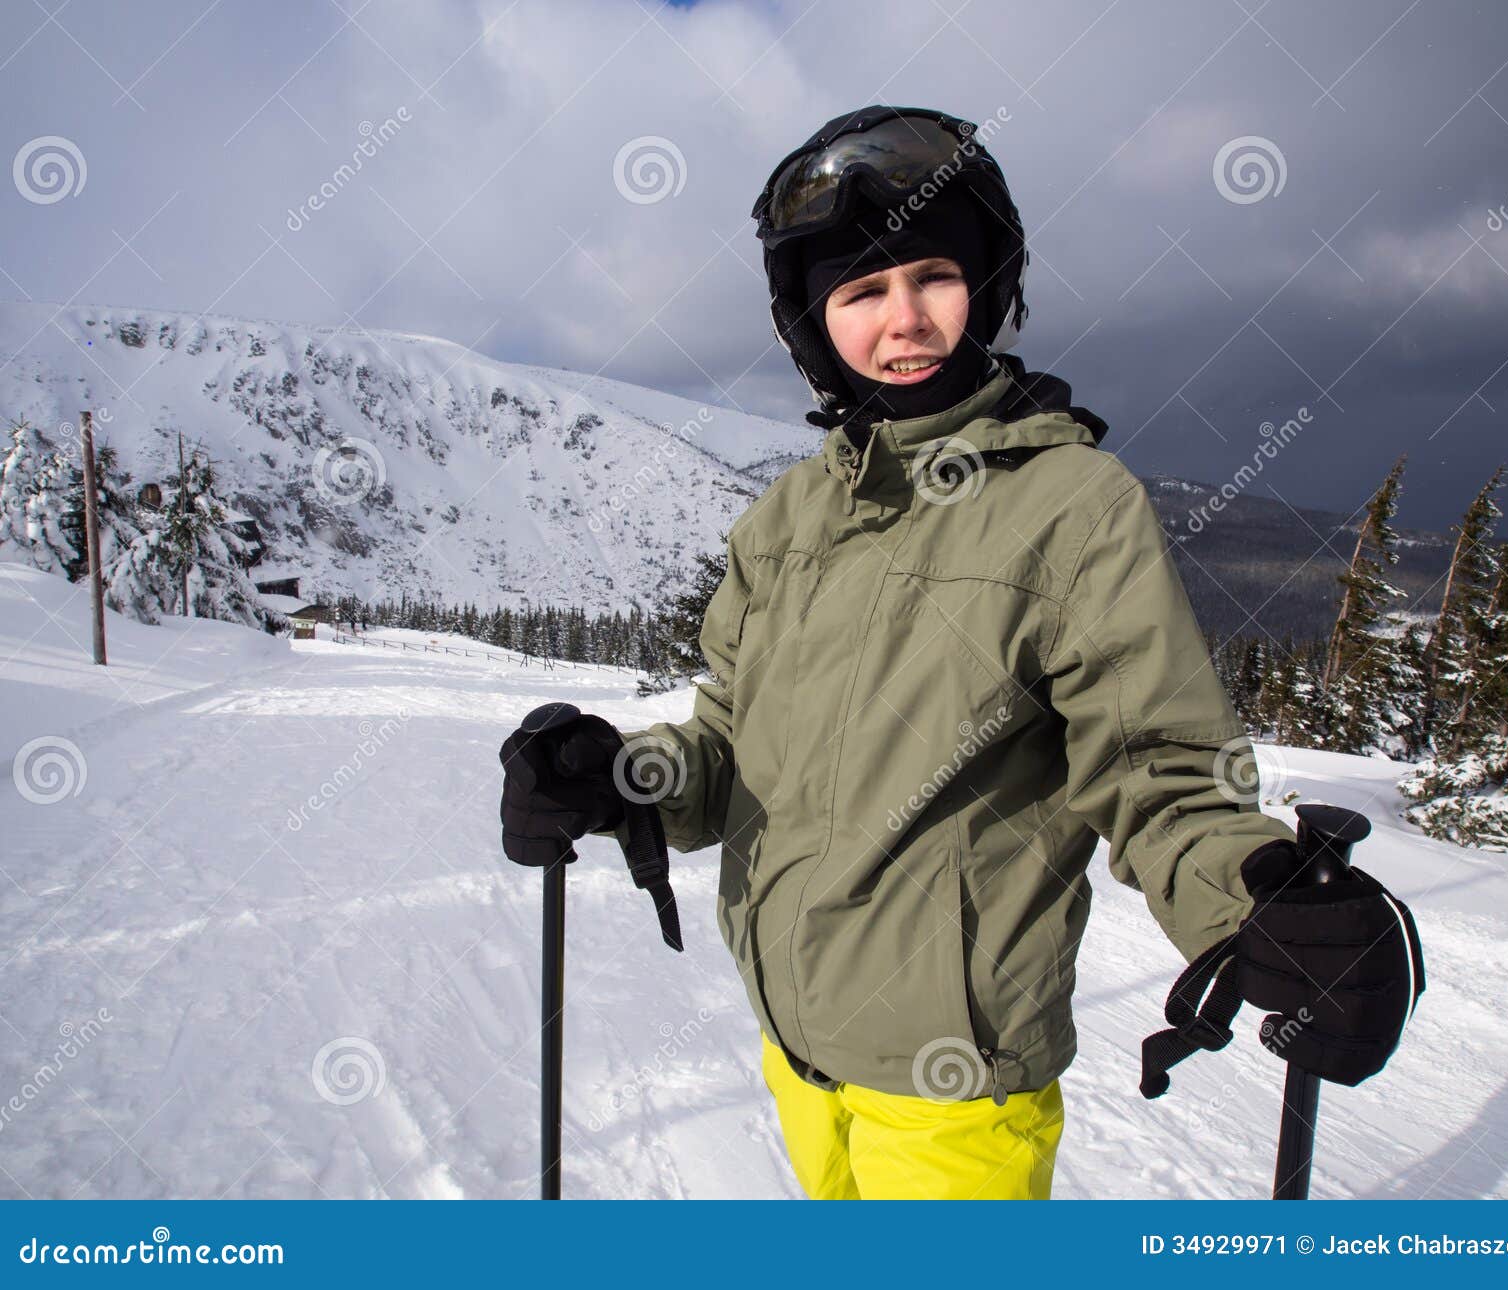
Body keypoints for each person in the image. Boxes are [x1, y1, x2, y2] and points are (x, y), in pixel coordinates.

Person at [499, 105, 1425, 1200]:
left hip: (954, 1090)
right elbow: (730, 745)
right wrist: (618, 774)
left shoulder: (1073, 506)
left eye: (930, 276)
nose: (905, 320)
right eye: (859, 292)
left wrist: (1256, 890)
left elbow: (1156, 770)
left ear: (983, 286)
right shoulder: (787, 519)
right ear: (813, 324)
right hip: (796, 1049)